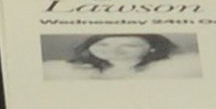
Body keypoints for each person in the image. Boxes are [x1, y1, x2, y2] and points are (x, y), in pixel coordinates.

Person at [47, 34, 195, 81]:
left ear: (153, 48)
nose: (114, 50)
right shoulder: (68, 70)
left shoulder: (173, 70)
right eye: (103, 44)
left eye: (129, 45)